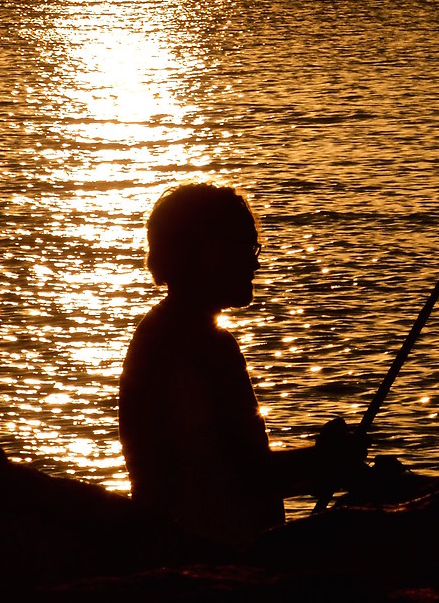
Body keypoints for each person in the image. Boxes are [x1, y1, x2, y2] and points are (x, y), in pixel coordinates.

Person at [118, 181, 366, 546]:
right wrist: (325, 459)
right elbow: (249, 474)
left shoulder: (158, 333)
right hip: (215, 553)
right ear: (207, 252)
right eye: (245, 247)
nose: (255, 262)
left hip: (179, 545)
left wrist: (321, 463)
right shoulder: (203, 345)